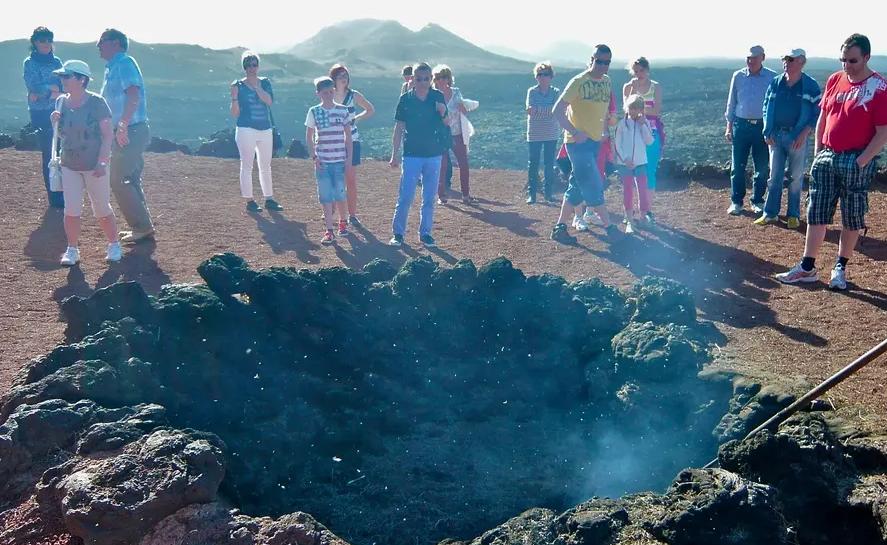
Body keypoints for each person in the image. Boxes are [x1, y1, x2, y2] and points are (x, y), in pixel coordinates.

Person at [776, 33, 887, 290]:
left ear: (866, 57)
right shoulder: (835, 80)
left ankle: (840, 267)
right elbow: (823, 116)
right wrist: (819, 152)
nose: (846, 65)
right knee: (817, 210)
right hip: (828, 155)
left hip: (855, 158)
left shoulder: (879, 88)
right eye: (843, 59)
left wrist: (861, 160)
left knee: (852, 215)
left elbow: (883, 131)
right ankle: (807, 267)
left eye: (852, 60)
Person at [50, 60, 120, 266]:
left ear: (81, 80)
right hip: (69, 163)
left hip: (94, 165)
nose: (62, 80)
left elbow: (107, 135)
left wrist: (102, 162)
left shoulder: (97, 103)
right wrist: (54, 122)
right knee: (71, 209)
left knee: (101, 208)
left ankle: (114, 244)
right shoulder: (61, 102)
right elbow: (63, 134)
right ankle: (72, 249)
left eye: (67, 76)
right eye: (62, 76)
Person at [550, 45, 619, 244]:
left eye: (607, 62)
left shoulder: (607, 82)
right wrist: (574, 132)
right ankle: (609, 228)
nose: (602, 65)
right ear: (592, 59)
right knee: (593, 183)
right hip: (577, 144)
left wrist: (605, 130)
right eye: (599, 61)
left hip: (595, 143)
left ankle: (560, 227)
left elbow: (602, 112)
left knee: (577, 184)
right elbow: (557, 111)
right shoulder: (578, 82)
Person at [97, 28, 155, 244]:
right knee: (130, 178)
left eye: (102, 41)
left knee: (119, 179)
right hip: (129, 129)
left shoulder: (123, 63)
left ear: (116, 43)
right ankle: (143, 225)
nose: (98, 45)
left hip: (130, 130)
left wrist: (122, 125)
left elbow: (133, 93)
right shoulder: (112, 67)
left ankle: (141, 226)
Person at [754, 48, 821, 229]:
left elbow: (817, 113)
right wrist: (767, 131)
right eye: (784, 59)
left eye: (790, 59)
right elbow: (766, 106)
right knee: (774, 176)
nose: (786, 62)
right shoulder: (776, 83)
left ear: (801, 62)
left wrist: (804, 133)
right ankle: (770, 213)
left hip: (797, 137)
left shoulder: (810, 85)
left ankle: (793, 215)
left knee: (796, 177)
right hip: (776, 135)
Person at [388, 62, 449, 248]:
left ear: (431, 79)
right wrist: (394, 154)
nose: (423, 82)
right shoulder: (405, 99)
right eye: (419, 78)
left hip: (433, 154)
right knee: (406, 196)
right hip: (412, 153)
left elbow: (447, 122)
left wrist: (443, 111)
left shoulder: (437, 97)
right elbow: (399, 127)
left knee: (429, 197)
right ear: (412, 79)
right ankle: (398, 234)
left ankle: (426, 234)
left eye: (426, 79)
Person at [725, 45, 777, 216]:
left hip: (762, 127)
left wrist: (772, 128)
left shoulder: (771, 77)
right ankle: (736, 201)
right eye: (748, 58)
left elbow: (774, 104)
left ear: (763, 57)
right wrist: (729, 127)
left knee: (762, 167)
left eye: (754, 57)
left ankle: (757, 200)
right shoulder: (738, 76)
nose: (750, 61)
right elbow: (731, 102)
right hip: (741, 125)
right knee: (737, 167)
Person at [230, 51, 282, 213]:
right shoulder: (238, 85)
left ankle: (269, 198)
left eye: (255, 64)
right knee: (246, 165)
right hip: (246, 128)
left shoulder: (265, 83)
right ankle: (250, 200)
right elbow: (235, 113)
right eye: (249, 65)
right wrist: (234, 98)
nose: (252, 68)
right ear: (244, 67)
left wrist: (257, 88)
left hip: (265, 128)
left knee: (265, 165)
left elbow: (269, 101)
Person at [306, 77, 353, 245]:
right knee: (325, 196)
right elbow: (309, 136)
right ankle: (329, 230)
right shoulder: (314, 111)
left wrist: (349, 157)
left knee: (340, 193)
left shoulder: (342, 110)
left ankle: (342, 222)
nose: (328, 95)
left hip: (339, 159)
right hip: (323, 161)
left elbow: (348, 136)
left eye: (331, 92)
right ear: (318, 93)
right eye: (325, 92)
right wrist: (314, 157)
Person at [23, 26, 64, 208]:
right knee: (49, 152)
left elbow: (62, 85)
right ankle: (54, 197)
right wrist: (52, 91)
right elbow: (33, 87)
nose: (46, 44)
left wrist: (47, 91)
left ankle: (63, 192)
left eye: (49, 40)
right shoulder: (29, 63)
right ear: (34, 42)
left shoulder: (57, 62)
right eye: (42, 40)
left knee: (61, 152)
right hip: (40, 114)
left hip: (59, 109)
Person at [330, 64, 375, 226]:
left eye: (345, 75)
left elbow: (370, 109)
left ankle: (352, 214)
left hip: (352, 141)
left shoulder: (353, 95)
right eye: (340, 75)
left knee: (350, 179)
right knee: (335, 178)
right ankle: (332, 210)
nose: (344, 78)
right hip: (333, 141)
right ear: (333, 78)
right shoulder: (329, 94)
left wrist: (356, 119)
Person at [622, 57, 664, 214]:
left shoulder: (656, 87)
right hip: (632, 134)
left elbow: (657, 111)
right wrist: (635, 94)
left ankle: (646, 210)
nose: (639, 74)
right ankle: (632, 208)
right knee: (634, 170)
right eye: (636, 71)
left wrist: (637, 111)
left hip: (651, 132)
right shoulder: (628, 87)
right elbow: (626, 109)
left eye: (642, 70)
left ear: (647, 70)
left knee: (650, 170)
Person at [433, 65, 476, 204]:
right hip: (441, 134)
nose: (441, 80)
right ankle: (441, 195)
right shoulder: (433, 94)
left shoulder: (456, 92)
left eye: (444, 77)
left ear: (449, 78)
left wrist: (464, 109)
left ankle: (465, 194)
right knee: (442, 165)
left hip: (457, 133)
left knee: (463, 164)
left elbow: (464, 110)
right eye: (438, 77)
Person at [614, 94, 654, 234]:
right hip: (625, 164)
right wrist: (625, 159)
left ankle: (643, 217)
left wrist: (643, 125)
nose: (633, 111)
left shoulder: (645, 123)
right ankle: (630, 221)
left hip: (641, 162)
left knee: (642, 190)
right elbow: (617, 144)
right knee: (628, 191)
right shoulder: (622, 124)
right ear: (627, 108)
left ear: (641, 109)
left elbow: (649, 141)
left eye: (637, 108)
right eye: (631, 108)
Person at [526, 62, 560, 204]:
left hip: (551, 133)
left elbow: (557, 111)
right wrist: (548, 110)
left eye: (545, 74)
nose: (542, 77)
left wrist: (539, 110)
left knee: (548, 163)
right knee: (533, 163)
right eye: (539, 74)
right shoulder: (532, 91)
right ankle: (532, 194)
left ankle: (548, 194)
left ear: (551, 76)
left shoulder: (556, 92)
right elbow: (529, 110)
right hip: (534, 133)